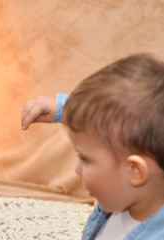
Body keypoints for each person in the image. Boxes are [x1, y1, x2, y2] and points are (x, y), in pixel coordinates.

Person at [21, 53, 164, 239]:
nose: (77, 170)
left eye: (85, 159)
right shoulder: (123, 194)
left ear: (135, 170)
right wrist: (64, 108)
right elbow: (122, 112)